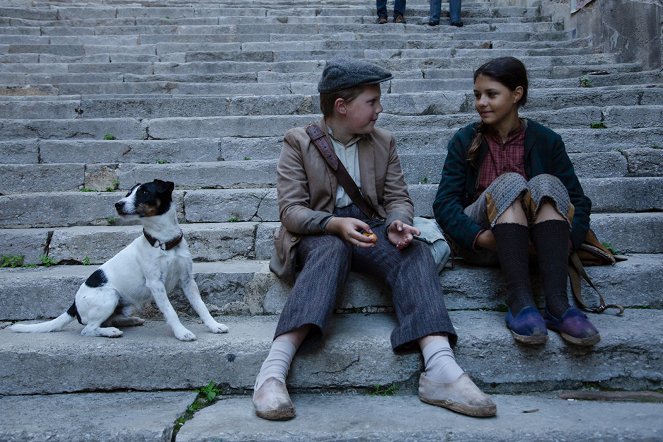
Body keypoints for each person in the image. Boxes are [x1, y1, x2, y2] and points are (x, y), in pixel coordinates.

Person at [252, 57, 496, 421]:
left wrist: (398, 223)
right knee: (332, 248)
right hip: (318, 231)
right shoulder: (298, 142)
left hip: (369, 226)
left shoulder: (383, 142)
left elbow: (398, 198)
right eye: (372, 102)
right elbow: (291, 212)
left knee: (413, 250)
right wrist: (334, 224)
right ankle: (272, 371)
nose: (379, 110)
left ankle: (441, 368)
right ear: (342, 106)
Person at [433, 56, 600, 348]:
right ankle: (520, 301)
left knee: (546, 183)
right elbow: (444, 203)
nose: (481, 102)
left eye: (491, 94)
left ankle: (558, 306)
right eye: (477, 95)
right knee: (511, 182)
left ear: (517, 94)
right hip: (484, 237)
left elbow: (578, 201)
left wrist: (564, 241)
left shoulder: (547, 140)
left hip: (538, 242)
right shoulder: (464, 139)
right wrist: (479, 238)